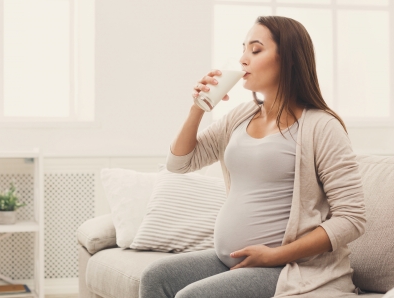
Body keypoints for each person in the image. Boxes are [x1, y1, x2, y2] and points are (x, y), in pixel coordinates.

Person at [139, 15, 366, 298]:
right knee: (155, 277)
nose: (243, 59)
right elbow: (179, 163)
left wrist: (276, 255)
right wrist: (198, 107)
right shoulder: (240, 116)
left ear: (290, 59)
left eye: (256, 50)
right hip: (232, 262)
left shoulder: (322, 126)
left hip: (289, 269)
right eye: (243, 49)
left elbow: (352, 218)